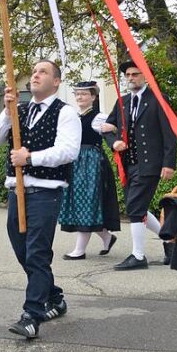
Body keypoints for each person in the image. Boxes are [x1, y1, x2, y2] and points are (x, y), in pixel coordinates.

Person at [0, 60, 80, 339]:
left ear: (56, 82)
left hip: (45, 192)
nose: (36, 75)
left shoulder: (66, 113)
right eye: (34, 71)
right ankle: (53, 296)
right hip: (16, 191)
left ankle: (31, 315)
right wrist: (7, 112)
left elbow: (68, 151)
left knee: (37, 253)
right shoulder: (21, 109)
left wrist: (30, 157)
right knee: (23, 252)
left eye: (43, 72)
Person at [104, 61, 177, 270]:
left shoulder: (158, 99)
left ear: (145, 76)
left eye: (135, 74)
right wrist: (114, 142)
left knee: (135, 208)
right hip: (128, 164)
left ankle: (138, 256)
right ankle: (170, 239)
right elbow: (106, 128)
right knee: (140, 208)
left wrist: (169, 163)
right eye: (127, 75)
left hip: (150, 163)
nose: (130, 78)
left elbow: (169, 133)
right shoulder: (122, 102)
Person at [60, 81, 120, 259]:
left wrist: (115, 131)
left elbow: (113, 132)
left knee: (86, 201)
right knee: (79, 202)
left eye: (84, 94)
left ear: (93, 97)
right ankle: (107, 237)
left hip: (91, 163)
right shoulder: (73, 116)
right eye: (78, 94)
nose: (80, 97)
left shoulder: (99, 117)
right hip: (75, 161)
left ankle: (80, 250)